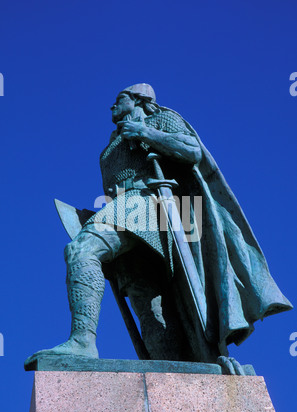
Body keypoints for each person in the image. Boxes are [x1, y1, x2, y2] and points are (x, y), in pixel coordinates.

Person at [25, 83, 292, 371]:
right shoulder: (109, 148)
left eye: (119, 99)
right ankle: (181, 374)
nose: (112, 106)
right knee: (150, 308)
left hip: (151, 202)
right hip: (126, 210)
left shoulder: (160, 119)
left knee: (82, 248)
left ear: (140, 100)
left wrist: (145, 132)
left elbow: (192, 151)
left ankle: (82, 341)